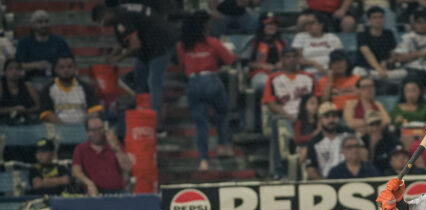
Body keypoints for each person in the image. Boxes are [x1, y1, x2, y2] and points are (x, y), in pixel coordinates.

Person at [93, 3, 174, 134]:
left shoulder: (122, 17)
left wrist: (118, 59)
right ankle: (143, 115)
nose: (102, 26)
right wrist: (111, 56)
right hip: (147, 48)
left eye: (100, 22)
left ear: (105, 15)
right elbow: (121, 41)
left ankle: (157, 125)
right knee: (139, 79)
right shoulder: (120, 14)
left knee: (154, 84)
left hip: (160, 46)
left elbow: (135, 45)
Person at [177, 11, 237, 171]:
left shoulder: (182, 45)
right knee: (222, 113)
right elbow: (230, 60)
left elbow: (182, 65)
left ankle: (203, 160)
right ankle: (222, 145)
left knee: (200, 124)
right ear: (204, 26)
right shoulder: (212, 42)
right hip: (211, 80)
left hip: (193, 83)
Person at [72, 117, 133, 196]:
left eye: (100, 129)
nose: (97, 132)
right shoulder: (81, 149)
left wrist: (115, 147)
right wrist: (89, 183)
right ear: (87, 132)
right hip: (95, 192)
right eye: (93, 130)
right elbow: (76, 171)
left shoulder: (115, 145)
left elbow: (127, 167)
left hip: (118, 192)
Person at [14, 10, 72, 89]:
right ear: (33, 25)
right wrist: (35, 65)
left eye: (46, 21)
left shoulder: (59, 41)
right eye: (40, 22)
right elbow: (17, 65)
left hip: (57, 80)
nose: (44, 25)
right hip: (31, 80)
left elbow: (70, 61)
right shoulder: (24, 42)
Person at [39, 54, 101, 125]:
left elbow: (94, 112)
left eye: (69, 67)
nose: (66, 70)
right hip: (58, 129)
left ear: (75, 68)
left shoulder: (86, 88)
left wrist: (87, 127)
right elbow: (47, 114)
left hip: (83, 129)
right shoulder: (47, 89)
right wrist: (65, 129)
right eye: (62, 67)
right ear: (56, 69)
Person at [262, 47, 319, 121]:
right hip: (285, 116)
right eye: (288, 57)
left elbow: (317, 98)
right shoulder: (273, 78)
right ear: (282, 60)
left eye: (294, 56)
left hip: (307, 117)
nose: (291, 59)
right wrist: (289, 117)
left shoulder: (309, 76)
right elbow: (271, 104)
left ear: (298, 59)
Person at [353, 7, 403, 82]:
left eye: (380, 17)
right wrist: (379, 68)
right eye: (374, 18)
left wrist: (387, 62)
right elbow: (368, 54)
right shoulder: (362, 35)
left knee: (404, 73)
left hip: (385, 69)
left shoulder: (389, 34)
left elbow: (393, 54)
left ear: (384, 19)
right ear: (369, 20)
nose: (378, 20)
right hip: (368, 69)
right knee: (357, 72)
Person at [306, 101, 349, 179]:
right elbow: (310, 169)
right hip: (326, 181)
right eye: (327, 117)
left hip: (349, 179)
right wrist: (324, 184)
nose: (331, 120)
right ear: (320, 120)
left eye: (334, 116)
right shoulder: (314, 143)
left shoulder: (347, 135)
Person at [292, 11, 343, 76]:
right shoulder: (301, 37)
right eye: (306, 24)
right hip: (310, 73)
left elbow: (341, 58)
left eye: (311, 23)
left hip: (332, 72)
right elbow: (298, 58)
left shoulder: (332, 37)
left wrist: (331, 70)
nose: (308, 26)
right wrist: (314, 63)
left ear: (321, 25)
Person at [247, 12, 288, 93]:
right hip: (259, 73)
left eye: (274, 24)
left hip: (279, 72)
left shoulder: (282, 41)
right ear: (262, 26)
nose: (272, 27)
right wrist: (262, 66)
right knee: (266, 83)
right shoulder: (254, 41)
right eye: (268, 24)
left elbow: (291, 57)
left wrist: (283, 63)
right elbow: (245, 62)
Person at [0, 58, 39, 125]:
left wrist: (25, 111)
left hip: (27, 121)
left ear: (21, 71)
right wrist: (11, 109)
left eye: (17, 69)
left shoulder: (28, 87)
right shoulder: (0, 88)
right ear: (5, 72)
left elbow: (39, 107)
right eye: (10, 69)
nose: (14, 72)